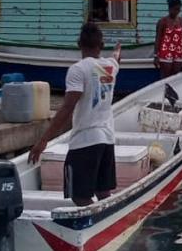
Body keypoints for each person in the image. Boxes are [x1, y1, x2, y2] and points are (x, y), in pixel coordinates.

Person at [28, 23, 122, 206]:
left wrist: (43, 140)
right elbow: (117, 58)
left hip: (85, 140)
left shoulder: (78, 70)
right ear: (101, 46)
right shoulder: (111, 67)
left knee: (78, 196)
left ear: (79, 44)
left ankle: (89, 228)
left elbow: (67, 108)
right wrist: (118, 51)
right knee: (103, 192)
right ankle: (104, 226)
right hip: (107, 139)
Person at [155, 0, 182, 79]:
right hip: (166, 52)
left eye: (179, 10)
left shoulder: (181, 21)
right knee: (166, 77)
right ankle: (164, 91)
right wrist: (155, 56)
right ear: (170, 9)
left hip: (178, 51)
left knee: (175, 77)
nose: (177, 12)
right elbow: (158, 39)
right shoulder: (162, 21)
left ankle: (172, 91)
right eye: (175, 9)